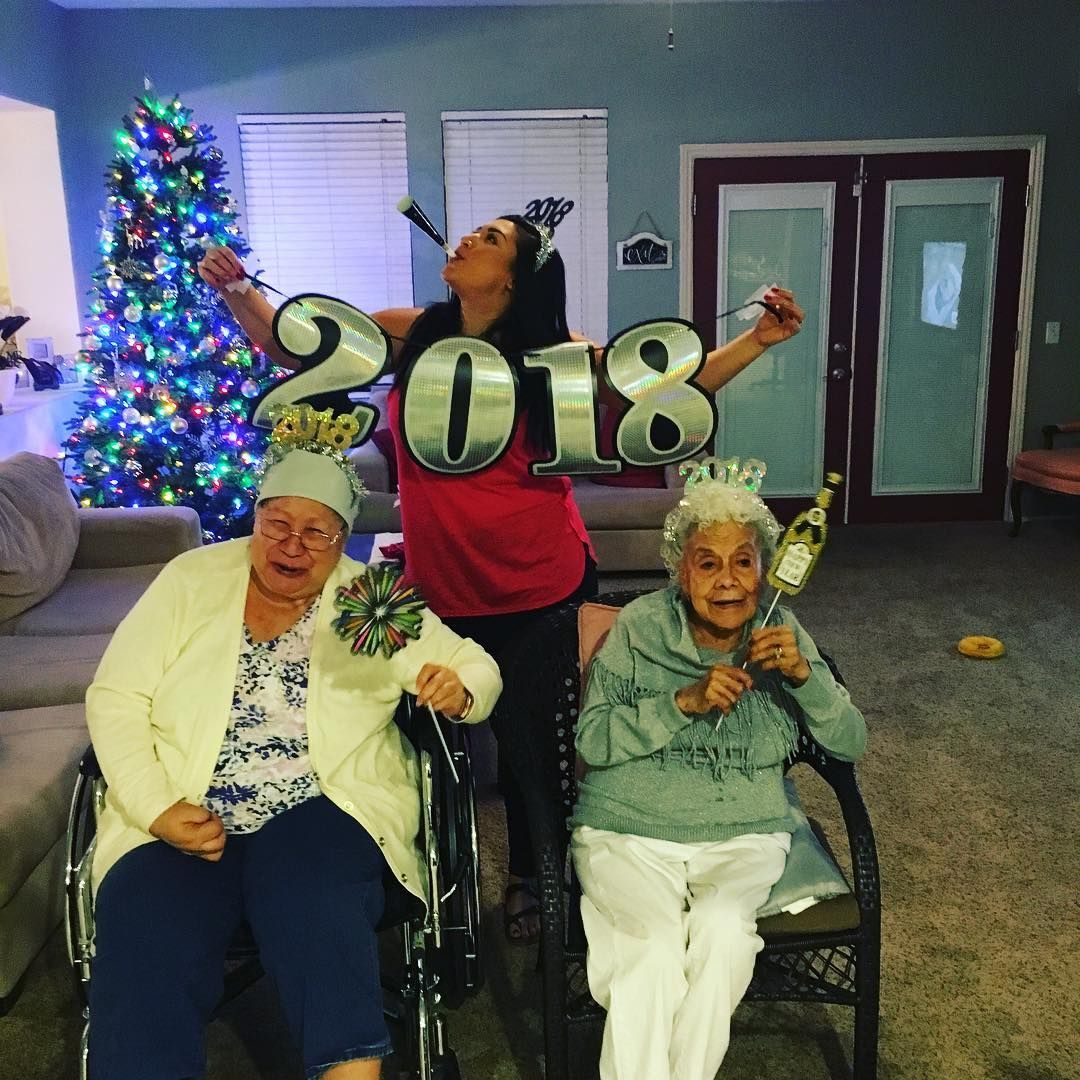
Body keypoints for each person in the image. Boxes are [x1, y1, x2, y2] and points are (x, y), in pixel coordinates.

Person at [199, 223, 804, 943]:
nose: (464, 241)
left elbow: (666, 392)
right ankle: (424, 881)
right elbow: (296, 346)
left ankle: (531, 876)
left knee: (531, 746)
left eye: (487, 238)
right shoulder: (413, 333)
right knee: (422, 736)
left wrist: (757, 340)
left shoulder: (557, 354)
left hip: (538, 583)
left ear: (513, 276)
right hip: (439, 584)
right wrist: (237, 291)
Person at [85, 416, 501, 1080]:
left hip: (327, 805)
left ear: (343, 540)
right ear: (255, 519)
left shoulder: (369, 598)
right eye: (277, 524)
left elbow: (475, 665)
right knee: (146, 920)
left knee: (312, 891)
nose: (292, 545)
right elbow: (116, 697)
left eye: (317, 532)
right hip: (186, 806)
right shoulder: (193, 579)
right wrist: (157, 807)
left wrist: (459, 688)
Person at [569, 458, 867, 1080]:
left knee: (725, 930)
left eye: (744, 562)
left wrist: (805, 678)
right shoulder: (640, 628)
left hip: (743, 830)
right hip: (629, 828)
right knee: (650, 950)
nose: (728, 581)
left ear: (766, 569)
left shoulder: (781, 630)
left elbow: (849, 744)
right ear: (681, 572)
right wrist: (682, 702)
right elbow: (593, 740)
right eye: (708, 564)